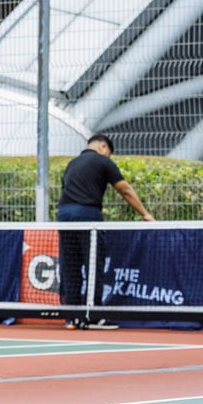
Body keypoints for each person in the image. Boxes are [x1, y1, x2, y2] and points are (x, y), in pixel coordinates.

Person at [57, 133, 154, 330]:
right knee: (93, 264)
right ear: (103, 147)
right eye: (108, 152)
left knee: (70, 265)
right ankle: (94, 315)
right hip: (87, 216)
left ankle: (73, 317)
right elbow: (125, 190)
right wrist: (145, 214)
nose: (108, 156)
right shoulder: (103, 161)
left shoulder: (71, 164)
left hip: (64, 215)